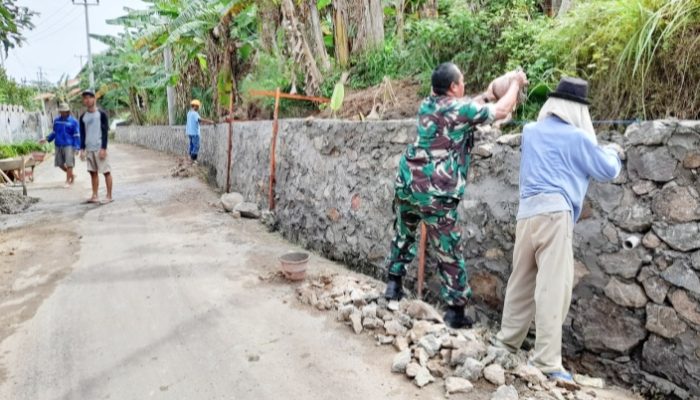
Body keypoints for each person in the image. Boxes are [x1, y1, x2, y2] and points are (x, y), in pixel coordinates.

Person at [494, 77, 623, 383]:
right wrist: (615, 152)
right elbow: (606, 169)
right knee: (553, 288)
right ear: (578, 110)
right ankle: (546, 360)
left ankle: (505, 343)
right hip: (555, 215)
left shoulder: (530, 132)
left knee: (521, 281)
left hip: (526, 214)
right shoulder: (577, 138)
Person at [383, 62, 527, 329]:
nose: (464, 84)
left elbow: (464, 108)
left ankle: (393, 286)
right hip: (436, 191)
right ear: (453, 87)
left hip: (407, 183)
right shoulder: (461, 109)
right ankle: (455, 312)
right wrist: (516, 82)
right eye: (461, 81)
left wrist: (486, 95)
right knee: (449, 248)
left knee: (404, 235)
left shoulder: (427, 105)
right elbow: (503, 110)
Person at [78, 89, 112, 204]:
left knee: (106, 172)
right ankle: (95, 195)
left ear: (94, 99)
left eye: (89, 97)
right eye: (85, 98)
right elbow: (82, 134)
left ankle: (109, 195)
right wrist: (81, 149)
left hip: (99, 148)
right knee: (93, 173)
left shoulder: (101, 114)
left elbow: (105, 132)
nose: (87, 100)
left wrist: (104, 148)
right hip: (89, 148)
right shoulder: (83, 117)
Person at [42, 103, 80, 187]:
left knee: (69, 163)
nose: (62, 113)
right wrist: (46, 139)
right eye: (61, 111)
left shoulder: (73, 122)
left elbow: (76, 135)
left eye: (64, 111)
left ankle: (67, 181)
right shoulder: (56, 120)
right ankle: (72, 175)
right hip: (58, 144)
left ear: (68, 111)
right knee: (59, 163)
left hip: (69, 145)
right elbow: (54, 132)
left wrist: (77, 147)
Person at [186, 99, 215, 164]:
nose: (198, 108)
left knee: (192, 145)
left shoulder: (189, 113)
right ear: (195, 106)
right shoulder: (195, 113)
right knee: (196, 146)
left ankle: (190, 158)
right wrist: (210, 121)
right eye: (198, 106)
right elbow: (200, 120)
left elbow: (195, 122)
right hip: (195, 133)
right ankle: (193, 160)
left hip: (189, 132)